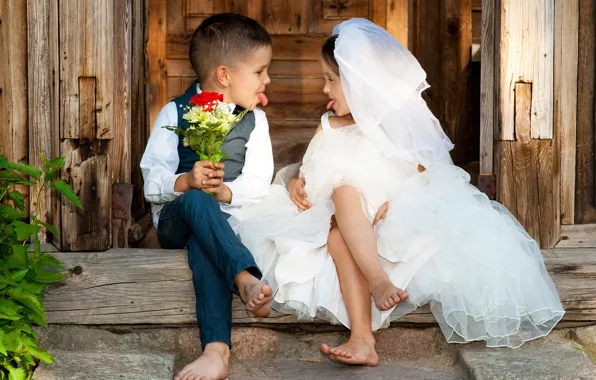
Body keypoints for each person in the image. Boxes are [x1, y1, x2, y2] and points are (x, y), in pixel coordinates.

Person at [229, 18, 565, 367]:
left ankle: (376, 281)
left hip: (377, 212)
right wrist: (295, 182)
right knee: (335, 236)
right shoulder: (328, 123)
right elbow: (308, 166)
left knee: (345, 193)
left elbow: (425, 172)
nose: (325, 90)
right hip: (331, 217)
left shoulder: (390, 127)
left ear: (359, 82)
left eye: (331, 80)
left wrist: (400, 198)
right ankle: (363, 338)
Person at [140, 13, 275, 380]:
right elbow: (151, 181)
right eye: (260, 71)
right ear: (225, 75)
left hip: (222, 226)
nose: (267, 80)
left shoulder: (254, 120)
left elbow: (261, 181)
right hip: (175, 220)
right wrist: (186, 182)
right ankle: (245, 275)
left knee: (205, 241)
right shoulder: (175, 112)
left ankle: (216, 351)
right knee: (199, 203)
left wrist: (226, 190)